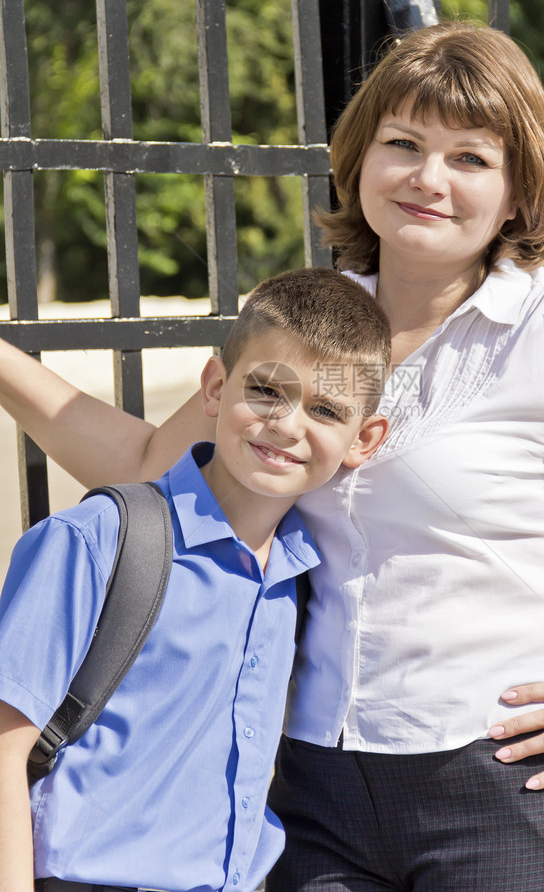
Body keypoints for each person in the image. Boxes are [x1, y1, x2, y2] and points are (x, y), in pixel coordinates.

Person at [0, 19, 544, 890]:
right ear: (358, 161)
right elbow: (143, 467)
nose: (428, 179)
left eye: (470, 157)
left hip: (511, 788)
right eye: (402, 144)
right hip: (313, 794)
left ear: (517, 193)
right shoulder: (314, 322)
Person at [0, 267, 390, 892]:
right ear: (214, 386)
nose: (288, 426)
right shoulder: (98, 540)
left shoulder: (304, 576)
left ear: (363, 440)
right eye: (266, 390)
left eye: (325, 409)